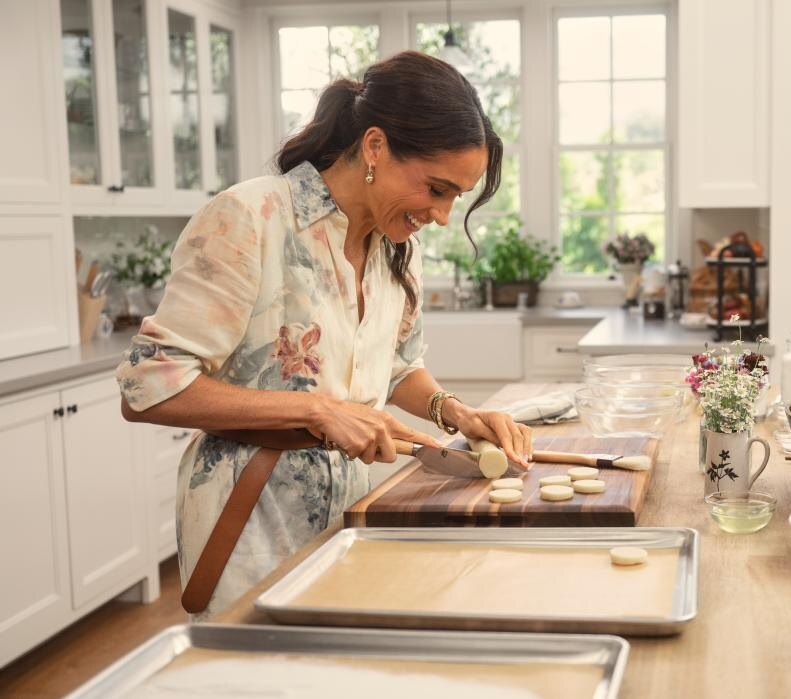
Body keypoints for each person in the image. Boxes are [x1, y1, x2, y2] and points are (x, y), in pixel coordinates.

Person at [116, 51, 531, 618]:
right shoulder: (251, 217)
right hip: (252, 521)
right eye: (436, 188)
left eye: (455, 196)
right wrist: (315, 411)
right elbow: (147, 388)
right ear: (376, 147)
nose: (441, 215)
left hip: (360, 507)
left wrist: (453, 411)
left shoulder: (397, 253)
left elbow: (397, 367)